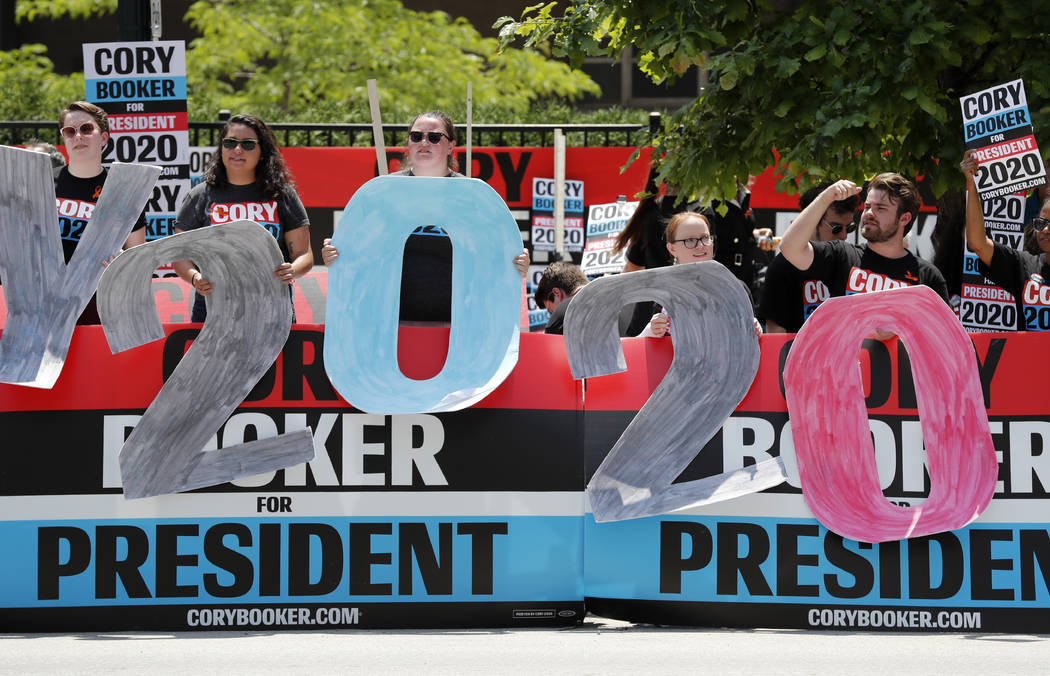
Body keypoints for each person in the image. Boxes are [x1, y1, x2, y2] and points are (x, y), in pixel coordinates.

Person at [321, 110, 528, 323]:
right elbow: (360, 248)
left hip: (459, 326)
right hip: (389, 325)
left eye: (434, 137)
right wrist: (337, 253)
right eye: (416, 136)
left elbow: (493, 253)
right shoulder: (385, 191)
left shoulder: (471, 196)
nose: (424, 142)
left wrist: (515, 263)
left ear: (451, 146)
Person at [173, 113, 312, 322]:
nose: (237, 150)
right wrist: (195, 277)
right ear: (221, 148)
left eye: (247, 144)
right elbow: (180, 256)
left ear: (262, 152)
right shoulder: (200, 196)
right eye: (230, 143)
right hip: (214, 314)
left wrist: (292, 270)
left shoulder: (282, 195)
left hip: (272, 313)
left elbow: (304, 255)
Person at [778, 173, 949, 338]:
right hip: (846, 367)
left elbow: (943, 341)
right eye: (867, 206)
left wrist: (899, 329)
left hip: (899, 368)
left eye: (880, 208)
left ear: (904, 218)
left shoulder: (927, 277)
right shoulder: (843, 255)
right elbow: (789, 248)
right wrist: (825, 198)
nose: (868, 214)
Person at [55, 101, 147, 324]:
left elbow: (137, 256)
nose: (78, 136)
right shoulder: (43, 183)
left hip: (103, 303)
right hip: (50, 302)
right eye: (70, 131)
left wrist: (122, 260)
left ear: (103, 138)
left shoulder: (125, 190)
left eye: (86, 129)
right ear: (64, 139)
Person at [961, 149, 1050, 330]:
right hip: (1029, 357)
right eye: (1041, 223)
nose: (1045, 230)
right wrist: (972, 183)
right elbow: (977, 243)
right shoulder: (1026, 266)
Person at [637, 211, 762, 339]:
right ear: (672, 249)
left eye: (705, 237)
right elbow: (640, 348)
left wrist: (754, 329)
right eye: (690, 240)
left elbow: (751, 345)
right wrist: (653, 331)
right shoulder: (663, 293)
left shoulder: (736, 287)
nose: (700, 245)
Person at [758, 181, 859, 332]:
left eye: (849, 228)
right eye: (836, 228)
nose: (844, 235)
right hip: (802, 354)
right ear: (813, 220)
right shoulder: (783, 266)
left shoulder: (847, 259)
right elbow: (776, 334)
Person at [534, 261, 588, 334]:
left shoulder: (561, 318)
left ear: (556, 292)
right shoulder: (606, 289)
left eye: (551, 311)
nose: (552, 315)